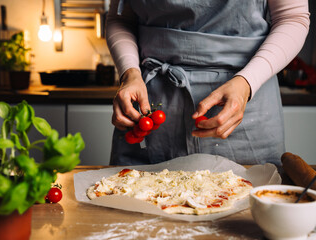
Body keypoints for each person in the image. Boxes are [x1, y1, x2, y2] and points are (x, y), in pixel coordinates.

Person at [106, 0, 310, 166]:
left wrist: (247, 82)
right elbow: (120, 19)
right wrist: (129, 73)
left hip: (244, 100)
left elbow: (292, 18)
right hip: (151, 105)